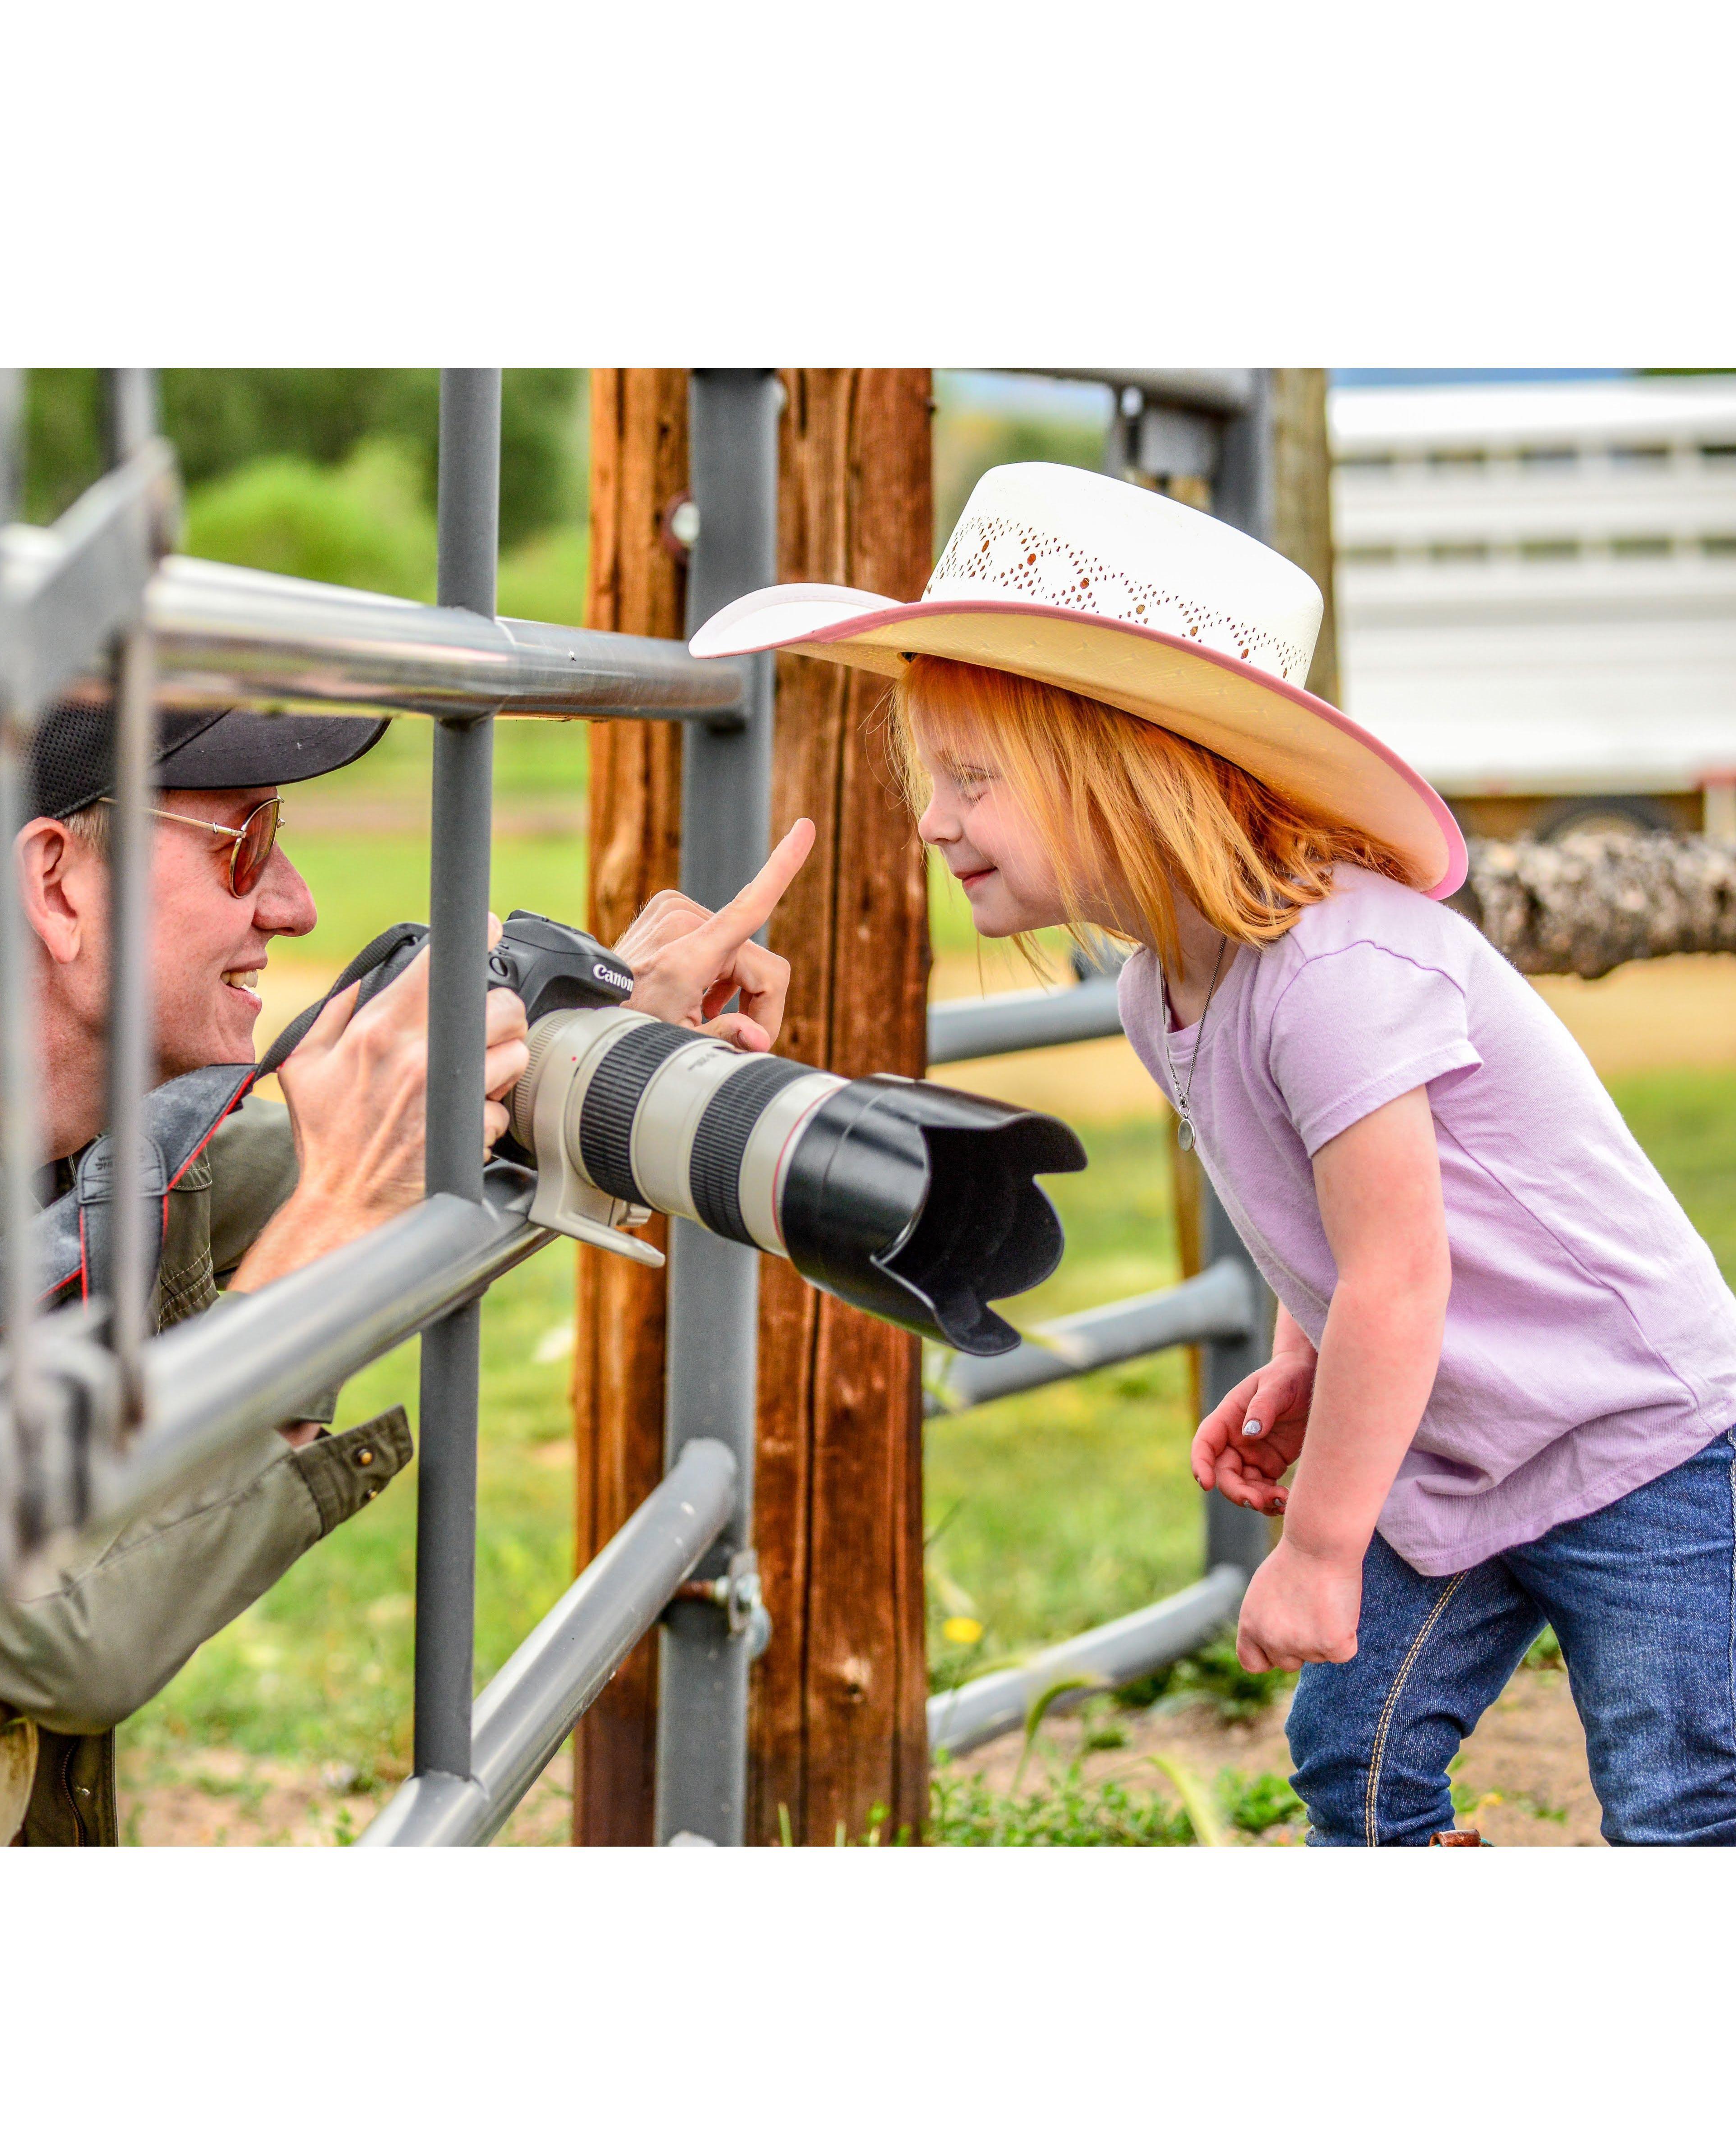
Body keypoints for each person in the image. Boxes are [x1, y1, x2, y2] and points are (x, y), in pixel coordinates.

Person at [0, 685, 815, 1843]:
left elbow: (281, 1168)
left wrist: (591, 1031)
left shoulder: (12, 1104)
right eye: (246, 840)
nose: (297, 905)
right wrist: (335, 1240)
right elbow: (58, 1625)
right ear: (57, 884)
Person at [690, 460, 1736, 1846]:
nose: (934, 820)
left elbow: (1401, 1276)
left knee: (1683, 1798)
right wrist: (1309, 1360)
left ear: (1132, 770)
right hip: (1457, 1441)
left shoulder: (1341, 968)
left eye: (973, 778)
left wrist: (1315, 1545)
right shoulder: (1159, 992)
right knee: (1353, 1761)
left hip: (1636, 1439)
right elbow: (1344, 1240)